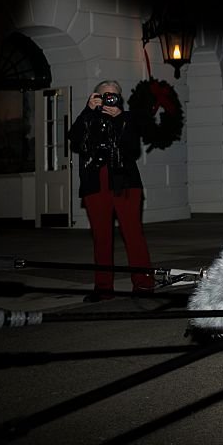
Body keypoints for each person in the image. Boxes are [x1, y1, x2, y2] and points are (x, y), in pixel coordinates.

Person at [68, 81, 156, 301]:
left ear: (120, 98)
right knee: (101, 237)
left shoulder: (127, 119)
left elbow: (133, 148)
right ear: (96, 96)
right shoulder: (88, 118)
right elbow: (75, 140)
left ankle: (144, 285)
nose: (110, 99)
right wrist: (88, 110)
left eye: (114, 95)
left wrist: (118, 119)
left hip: (125, 183)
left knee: (133, 234)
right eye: (105, 95)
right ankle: (103, 288)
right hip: (95, 183)